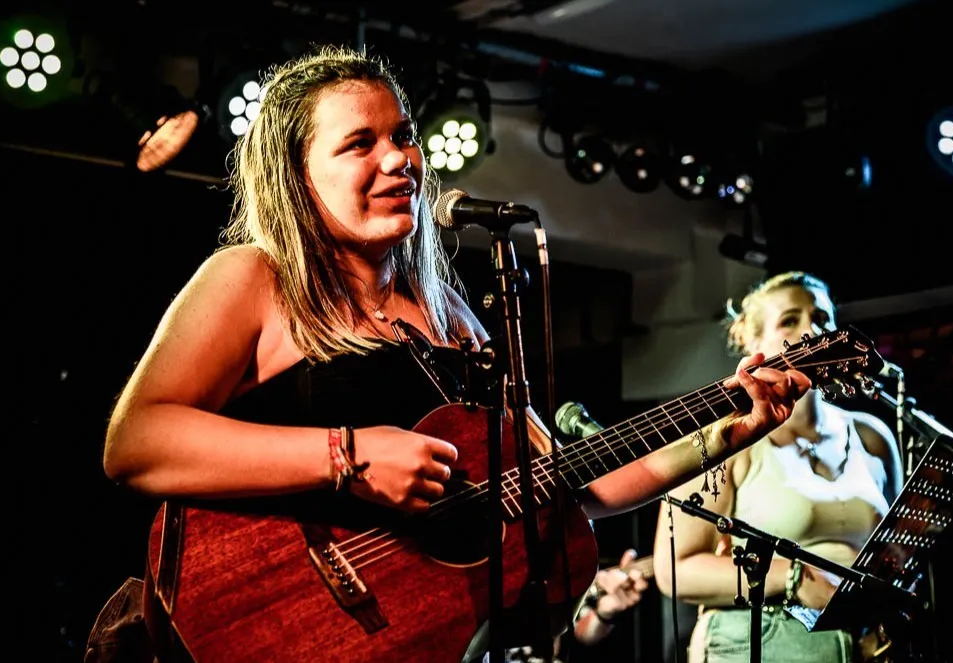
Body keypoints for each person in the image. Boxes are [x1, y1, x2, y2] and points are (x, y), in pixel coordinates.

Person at [101, 44, 810, 662]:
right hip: (273, 617)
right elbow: (136, 442)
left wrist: (723, 432)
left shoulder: (451, 314)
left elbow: (568, 485)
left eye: (404, 135)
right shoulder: (255, 279)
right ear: (297, 172)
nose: (399, 159)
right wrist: (348, 455)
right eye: (360, 143)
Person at [652, 271, 904, 663]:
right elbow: (674, 569)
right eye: (790, 320)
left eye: (821, 318)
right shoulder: (725, 439)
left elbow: (894, 546)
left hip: (859, 645)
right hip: (762, 639)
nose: (811, 330)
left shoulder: (872, 435)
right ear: (753, 344)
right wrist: (793, 577)